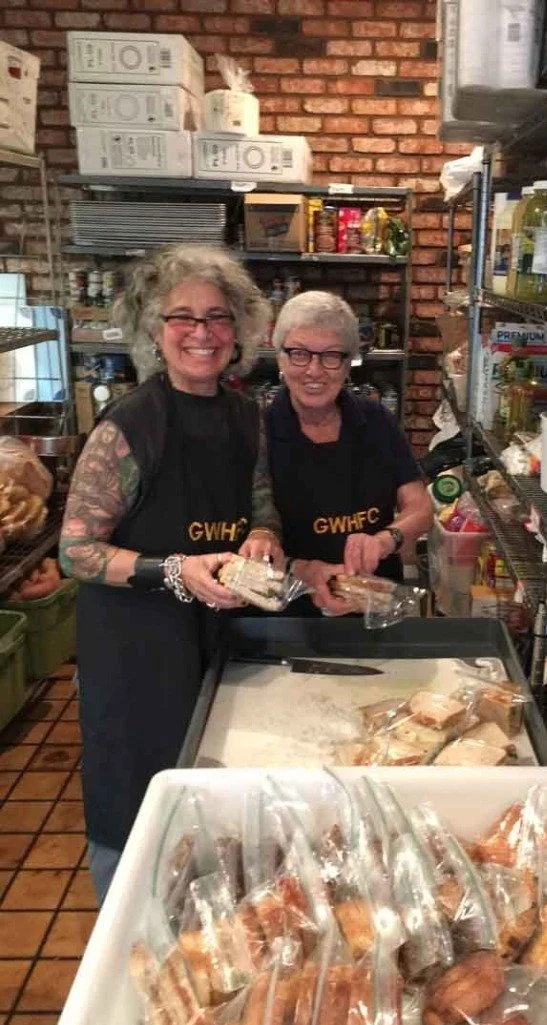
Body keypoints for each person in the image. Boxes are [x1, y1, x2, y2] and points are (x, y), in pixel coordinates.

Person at [59, 244, 284, 903]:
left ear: (239, 330)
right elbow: (75, 551)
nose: (202, 333)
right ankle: (123, 938)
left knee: (211, 803)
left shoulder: (246, 415)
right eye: (181, 317)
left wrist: (263, 533)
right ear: (154, 330)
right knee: (134, 811)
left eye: (217, 317)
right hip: (135, 650)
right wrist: (175, 569)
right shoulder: (128, 426)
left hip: (215, 639)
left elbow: (260, 497)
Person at [266, 291, 432, 615]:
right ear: (280, 359)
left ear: (348, 364)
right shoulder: (259, 433)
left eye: (331, 356)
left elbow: (421, 507)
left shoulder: (377, 421)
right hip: (289, 616)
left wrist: (385, 539)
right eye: (299, 354)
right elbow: (243, 543)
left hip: (375, 607)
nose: (314, 370)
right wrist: (302, 570)